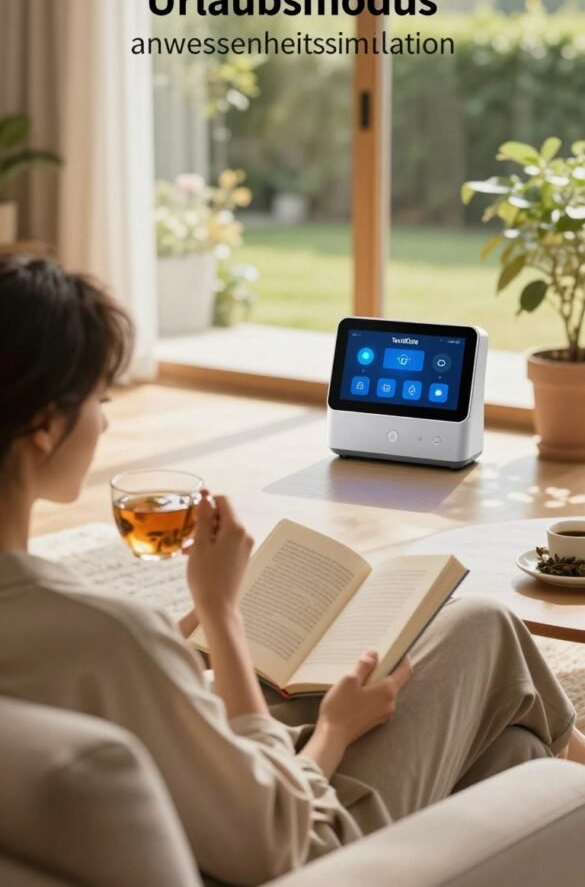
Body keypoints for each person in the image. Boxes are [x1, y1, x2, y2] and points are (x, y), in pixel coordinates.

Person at [0, 252, 583, 887]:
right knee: (480, 624)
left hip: (191, 810)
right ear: (43, 425)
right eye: (98, 398)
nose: (106, 419)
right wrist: (325, 718)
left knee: (511, 753)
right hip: (309, 848)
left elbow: (99, 677)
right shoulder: (109, 636)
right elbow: (276, 840)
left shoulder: (75, 626)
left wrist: (193, 621)